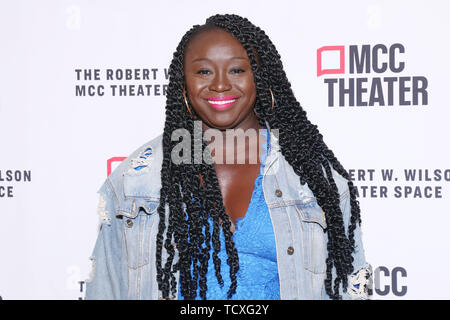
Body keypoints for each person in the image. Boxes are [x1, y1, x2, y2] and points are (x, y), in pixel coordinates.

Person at [85, 14, 372, 300]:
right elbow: (106, 292)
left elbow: (346, 290)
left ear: (261, 77)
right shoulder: (136, 181)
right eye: (204, 72)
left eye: (237, 70)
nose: (220, 85)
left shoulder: (311, 179)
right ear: (183, 82)